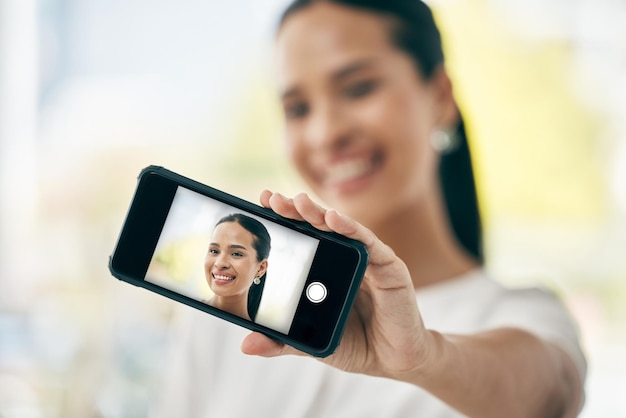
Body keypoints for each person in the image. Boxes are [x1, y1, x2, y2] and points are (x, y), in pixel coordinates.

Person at [155, 1, 586, 416]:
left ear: (439, 97)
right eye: (298, 108)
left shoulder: (521, 316)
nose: (326, 133)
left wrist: (424, 356)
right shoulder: (223, 316)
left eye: (358, 87)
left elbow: (549, 393)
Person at [203, 213, 270, 322]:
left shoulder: (257, 337)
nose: (220, 263)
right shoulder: (182, 311)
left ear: (261, 268)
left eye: (236, 254)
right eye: (214, 251)